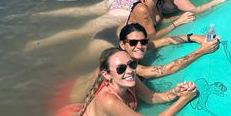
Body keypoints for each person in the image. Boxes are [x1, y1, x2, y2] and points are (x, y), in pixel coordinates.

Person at [38, 47, 197, 116]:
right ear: (107, 75)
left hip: (75, 111)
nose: (129, 71)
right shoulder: (109, 101)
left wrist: (175, 92)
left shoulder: (130, 79)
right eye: (121, 69)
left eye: (131, 64)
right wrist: (184, 100)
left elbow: (152, 97)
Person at [64, 23, 221, 105]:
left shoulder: (137, 49)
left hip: (77, 86)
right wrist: (202, 51)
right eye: (133, 42)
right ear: (122, 45)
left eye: (143, 41)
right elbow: (163, 70)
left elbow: (166, 40)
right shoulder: (124, 64)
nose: (139, 46)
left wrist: (193, 37)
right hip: (75, 98)